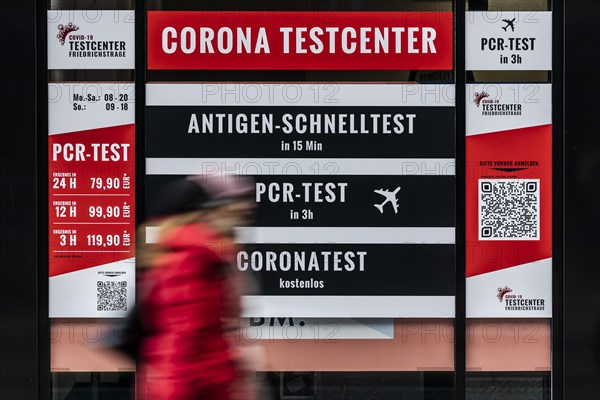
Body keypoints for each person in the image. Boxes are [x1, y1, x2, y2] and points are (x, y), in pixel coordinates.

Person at [135, 174, 260, 400]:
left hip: (164, 375)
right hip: (196, 380)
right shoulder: (204, 255)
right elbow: (193, 334)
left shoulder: (159, 256)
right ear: (200, 213)